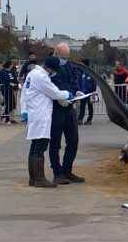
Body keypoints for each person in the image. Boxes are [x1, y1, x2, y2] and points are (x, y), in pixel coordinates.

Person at [20, 56, 72, 188]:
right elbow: (54, 93)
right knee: (40, 147)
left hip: (34, 112)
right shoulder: (41, 77)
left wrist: (24, 110)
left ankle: (33, 178)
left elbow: (24, 93)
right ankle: (39, 179)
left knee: (35, 147)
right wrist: (67, 94)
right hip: (41, 114)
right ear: (51, 68)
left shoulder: (32, 73)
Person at [49, 43, 85, 184]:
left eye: (66, 57)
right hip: (56, 109)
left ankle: (67, 170)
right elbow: (48, 87)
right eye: (62, 56)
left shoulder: (70, 67)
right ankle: (57, 173)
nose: (64, 59)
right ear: (56, 53)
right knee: (55, 143)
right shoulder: (50, 67)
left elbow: (74, 82)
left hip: (69, 108)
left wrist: (77, 92)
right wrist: (58, 97)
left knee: (73, 141)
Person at [0, 60, 17, 124]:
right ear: (9, 65)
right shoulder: (2, 72)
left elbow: (14, 79)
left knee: (12, 104)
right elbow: (3, 81)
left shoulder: (11, 71)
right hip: (5, 89)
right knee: (8, 104)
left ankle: (4, 115)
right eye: (11, 64)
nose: (12, 65)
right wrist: (12, 84)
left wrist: (16, 84)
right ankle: (7, 119)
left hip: (11, 89)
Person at [77, 58, 96, 125]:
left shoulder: (91, 72)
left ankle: (89, 119)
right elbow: (79, 82)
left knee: (90, 106)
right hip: (83, 93)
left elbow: (94, 82)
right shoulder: (80, 72)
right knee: (82, 106)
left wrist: (93, 91)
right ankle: (80, 119)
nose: (81, 65)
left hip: (90, 93)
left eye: (82, 64)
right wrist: (79, 89)